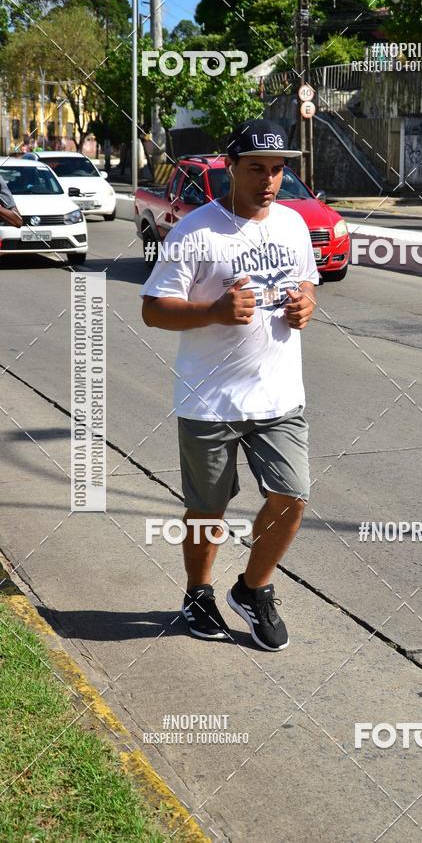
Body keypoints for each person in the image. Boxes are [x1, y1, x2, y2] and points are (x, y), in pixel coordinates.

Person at [140, 118, 318, 651]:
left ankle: (253, 588)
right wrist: (215, 310)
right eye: (257, 168)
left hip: (280, 395)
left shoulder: (291, 224)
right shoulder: (196, 231)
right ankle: (198, 593)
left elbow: (306, 279)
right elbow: (153, 310)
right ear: (231, 169)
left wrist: (307, 302)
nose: (269, 180)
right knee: (207, 511)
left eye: (278, 169)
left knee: (292, 496)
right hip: (209, 400)